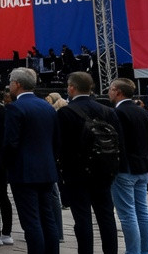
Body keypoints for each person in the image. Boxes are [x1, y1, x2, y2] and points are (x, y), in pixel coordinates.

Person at [56, 71, 118, 254]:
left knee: (82, 218)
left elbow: (60, 145)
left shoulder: (65, 112)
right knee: (106, 216)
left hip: (77, 173)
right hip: (104, 171)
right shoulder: (108, 111)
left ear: (72, 87)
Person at [3, 67, 60, 254]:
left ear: (17, 84)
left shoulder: (15, 108)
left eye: (11, 81)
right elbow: (55, 140)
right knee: (48, 218)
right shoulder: (47, 106)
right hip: (46, 168)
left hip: (24, 171)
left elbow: (11, 143)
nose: (9, 85)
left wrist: (5, 164)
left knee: (31, 221)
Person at [109, 78, 148, 254]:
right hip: (142, 166)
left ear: (118, 91)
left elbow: (116, 142)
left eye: (111, 89)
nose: (109, 92)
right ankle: (146, 250)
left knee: (127, 215)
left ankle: (133, 251)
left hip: (125, 168)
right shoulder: (144, 113)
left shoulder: (117, 113)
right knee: (142, 212)